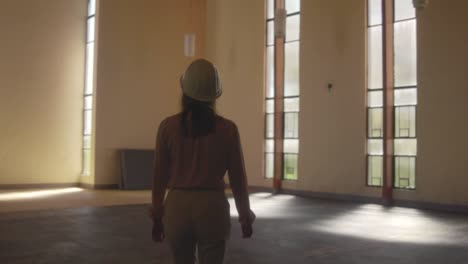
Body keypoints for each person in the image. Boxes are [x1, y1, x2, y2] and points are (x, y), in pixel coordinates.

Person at [150, 58, 255, 264]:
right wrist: (244, 215)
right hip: (212, 208)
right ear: (214, 96)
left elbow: (159, 175)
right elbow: (238, 177)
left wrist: (156, 215)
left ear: (184, 91)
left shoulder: (167, 127)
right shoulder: (228, 130)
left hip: (177, 207)